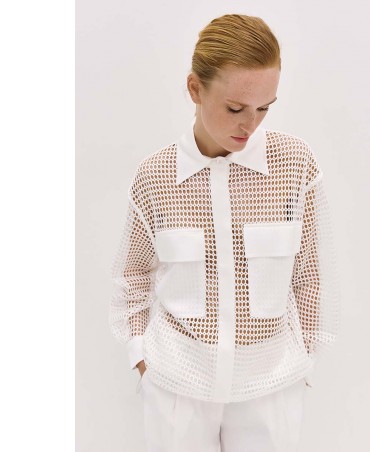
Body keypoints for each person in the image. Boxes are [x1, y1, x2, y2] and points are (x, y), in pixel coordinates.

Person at [110, 13, 340, 452]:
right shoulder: (154, 177)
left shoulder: (295, 166)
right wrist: (140, 355)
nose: (250, 124)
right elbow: (132, 273)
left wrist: (305, 359)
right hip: (175, 386)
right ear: (195, 89)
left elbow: (311, 273)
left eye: (264, 108)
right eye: (235, 108)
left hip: (271, 387)